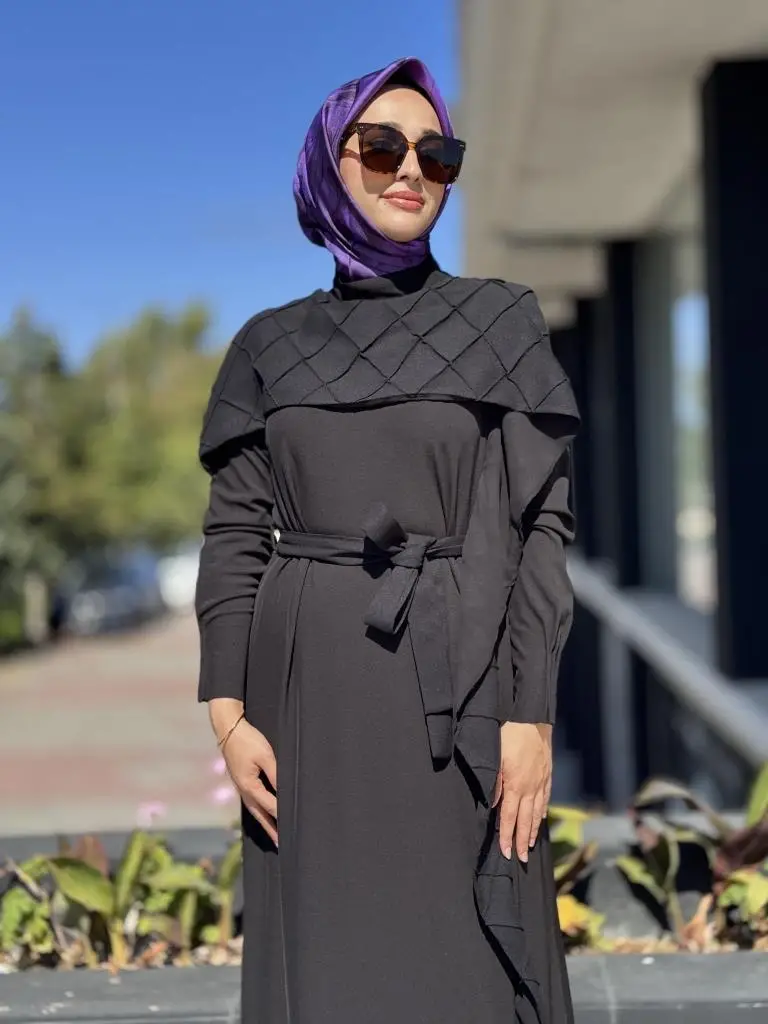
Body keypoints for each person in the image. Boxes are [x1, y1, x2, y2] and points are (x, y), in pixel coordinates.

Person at [195, 56, 579, 1024]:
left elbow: (542, 526)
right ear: (326, 164)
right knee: (329, 963)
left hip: (465, 682)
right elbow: (236, 531)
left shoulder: (500, 319)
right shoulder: (267, 346)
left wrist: (531, 716)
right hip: (306, 696)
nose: (412, 169)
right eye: (381, 146)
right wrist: (227, 712)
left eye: (437, 153)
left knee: (475, 967)